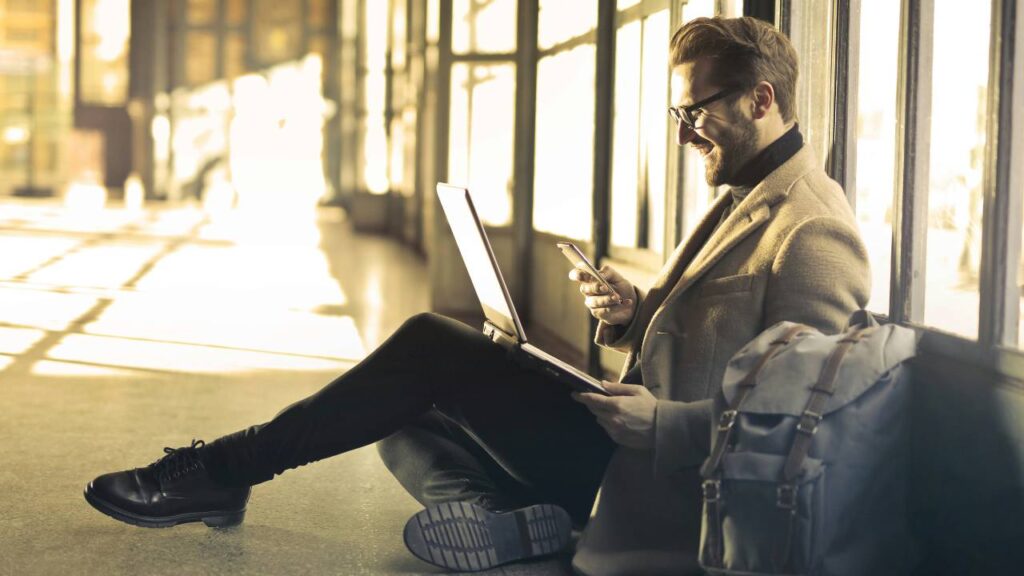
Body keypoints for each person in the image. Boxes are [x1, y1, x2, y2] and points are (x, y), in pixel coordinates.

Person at [84, 16, 869, 576]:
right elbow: (716, 340)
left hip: (660, 474)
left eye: (695, 112)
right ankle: (511, 520)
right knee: (394, 414)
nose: (683, 133)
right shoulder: (744, 191)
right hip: (621, 438)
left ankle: (225, 469)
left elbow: (803, 430)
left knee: (427, 347)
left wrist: (661, 424)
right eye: (678, 113)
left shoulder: (813, 232)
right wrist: (636, 315)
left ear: (761, 101)